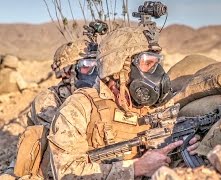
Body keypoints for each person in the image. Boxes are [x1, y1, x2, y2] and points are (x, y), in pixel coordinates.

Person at [48, 27, 200, 179]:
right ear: (119, 70)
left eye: (157, 64)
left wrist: (180, 149)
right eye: (147, 64)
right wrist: (134, 169)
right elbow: (66, 173)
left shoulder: (156, 107)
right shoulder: (79, 107)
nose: (156, 72)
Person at [12, 40, 99, 179]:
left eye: (97, 64)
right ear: (66, 72)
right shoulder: (48, 100)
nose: (94, 72)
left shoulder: (99, 96)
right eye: (86, 65)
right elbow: (60, 148)